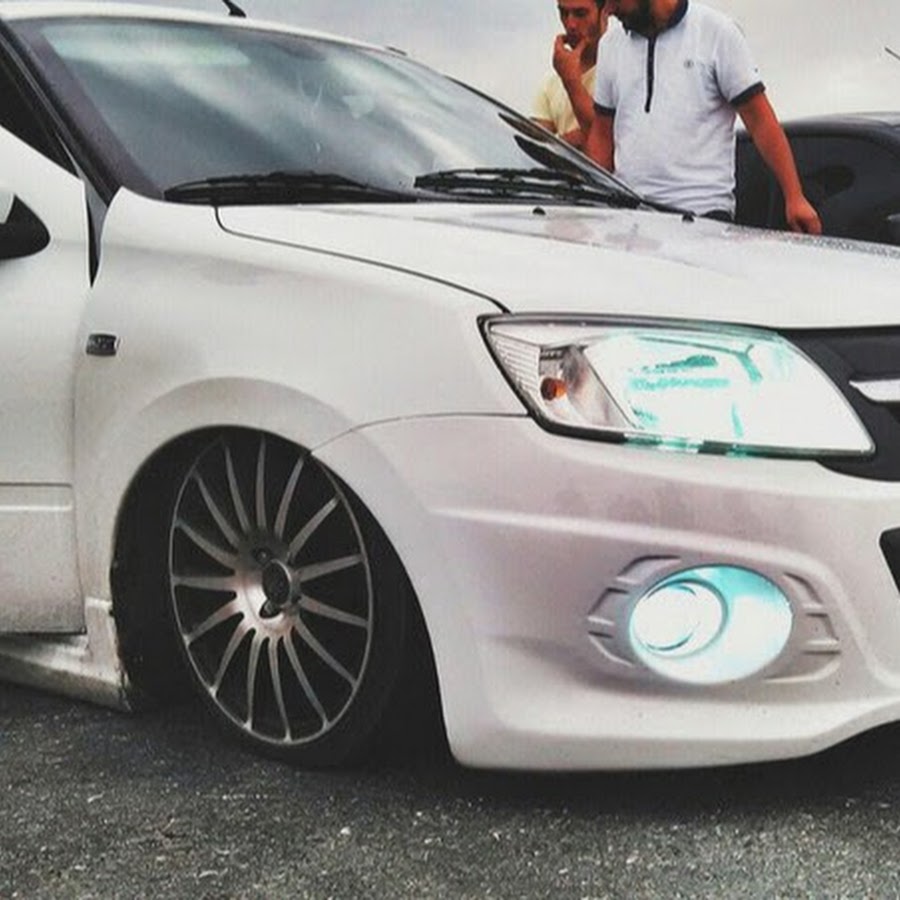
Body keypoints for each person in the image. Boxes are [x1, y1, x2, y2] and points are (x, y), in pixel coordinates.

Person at [585, 0, 822, 233]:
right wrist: (590, 201)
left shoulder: (716, 32)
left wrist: (794, 197)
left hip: (702, 216)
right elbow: (602, 133)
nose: (609, 10)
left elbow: (759, 120)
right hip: (630, 220)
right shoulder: (610, 45)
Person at [532, 0, 610, 149]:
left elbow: (604, 142)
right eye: (564, 13)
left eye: (581, 14)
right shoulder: (551, 83)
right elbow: (535, 144)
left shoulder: (621, 70)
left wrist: (571, 81)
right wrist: (566, 142)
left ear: (605, 11)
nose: (571, 24)